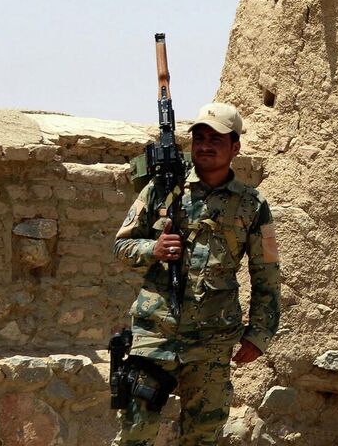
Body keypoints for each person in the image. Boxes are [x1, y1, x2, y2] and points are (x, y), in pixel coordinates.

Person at [113, 103, 280, 446]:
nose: (204, 144)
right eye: (199, 137)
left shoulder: (252, 204)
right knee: (136, 431)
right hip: (155, 333)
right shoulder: (161, 189)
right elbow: (122, 247)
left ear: (235, 147)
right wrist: (153, 250)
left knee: (203, 435)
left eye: (215, 138)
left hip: (212, 340)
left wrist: (259, 333)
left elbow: (266, 273)